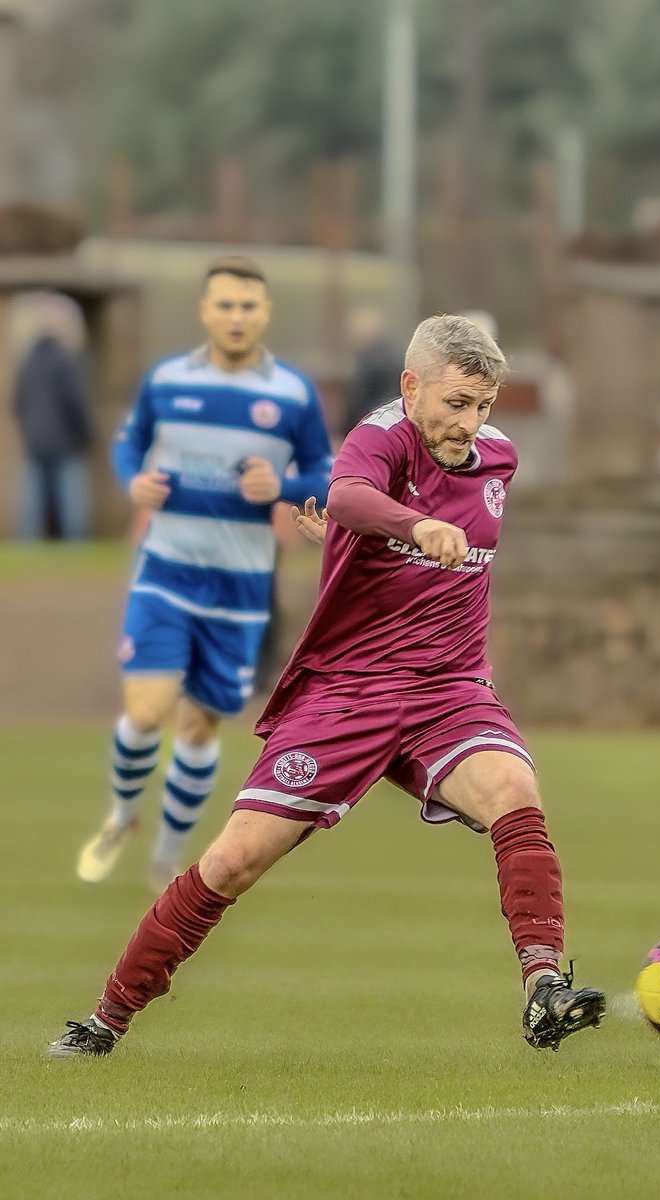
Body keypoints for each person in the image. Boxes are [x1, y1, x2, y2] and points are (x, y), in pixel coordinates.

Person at [50, 313, 605, 1059]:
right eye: (455, 403)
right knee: (234, 860)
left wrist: (358, 543)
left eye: (483, 405)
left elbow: (359, 528)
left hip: (449, 688)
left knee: (514, 790)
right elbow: (348, 496)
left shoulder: (497, 459)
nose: (471, 423)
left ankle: (544, 987)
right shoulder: (381, 436)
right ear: (411, 386)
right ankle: (105, 1018)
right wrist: (409, 526)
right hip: (349, 693)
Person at [75, 255, 333, 893]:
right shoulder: (165, 380)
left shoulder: (293, 394)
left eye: (248, 306)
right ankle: (123, 816)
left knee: (199, 725)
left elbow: (328, 469)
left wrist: (285, 485)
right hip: (165, 572)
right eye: (225, 304)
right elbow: (128, 440)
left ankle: (166, 856)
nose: (236, 317)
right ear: (204, 310)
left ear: (265, 313)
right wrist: (133, 479)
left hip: (241, 588)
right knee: (147, 710)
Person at [12, 297, 94, 540]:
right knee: (70, 496)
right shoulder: (65, 359)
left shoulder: (27, 361)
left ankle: (28, 542)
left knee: (32, 498)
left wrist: (28, 428)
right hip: (64, 440)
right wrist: (85, 433)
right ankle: (75, 541)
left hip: (34, 438)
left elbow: (17, 402)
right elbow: (74, 400)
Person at [340, 304, 405, 435]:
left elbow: (357, 401)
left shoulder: (368, 363)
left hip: (372, 425)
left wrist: (345, 431)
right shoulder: (396, 358)